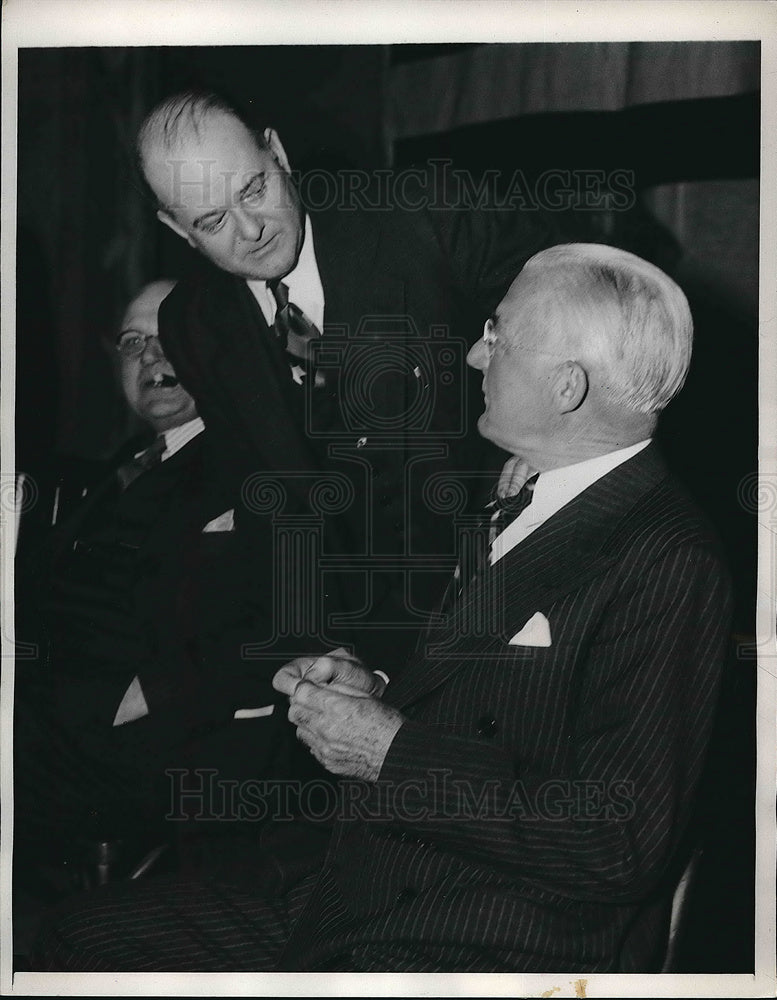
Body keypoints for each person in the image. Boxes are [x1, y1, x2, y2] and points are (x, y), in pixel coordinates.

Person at [33, 244, 732, 973]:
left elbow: (617, 840)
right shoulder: (521, 491)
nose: (470, 356)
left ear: (566, 387)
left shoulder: (666, 558)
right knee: (77, 939)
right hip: (366, 885)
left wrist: (390, 751)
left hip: (486, 933)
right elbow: (496, 711)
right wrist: (376, 695)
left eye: (497, 336)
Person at [134, 90, 580, 680]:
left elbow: (585, 316)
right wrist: (320, 648)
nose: (250, 229)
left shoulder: (428, 213)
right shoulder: (191, 324)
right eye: (211, 221)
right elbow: (270, 505)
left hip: (518, 587)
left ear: (278, 154)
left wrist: (546, 446)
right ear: (176, 227)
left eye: (253, 189)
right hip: (371, 632)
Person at [14, 280, 301, 865]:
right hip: (48, 710)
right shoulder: (116, 472)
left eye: (171, 337)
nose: (150, 355)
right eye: (132, 341)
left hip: (161, 740)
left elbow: (291, 617)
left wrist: (150, 693)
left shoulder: (261, 464)